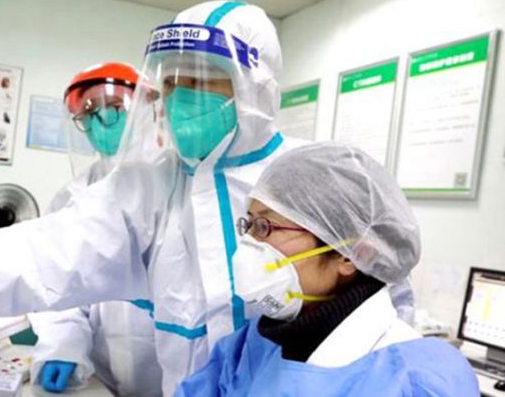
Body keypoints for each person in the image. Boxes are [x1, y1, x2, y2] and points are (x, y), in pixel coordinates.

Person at [0, 1, 367, 395]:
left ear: (255, 87)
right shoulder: (154, 186)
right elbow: (46, 252)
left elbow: (375, 298)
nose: (178, 97)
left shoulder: (313, 178)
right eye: (170, 82)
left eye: (199, 80)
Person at [176, 143, 479, 396]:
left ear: (351, 255)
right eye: (250, 224)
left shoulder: (419, 380)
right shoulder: (251, 345)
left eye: (266, 226)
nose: (249, 243)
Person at [30, 62, 163, 396]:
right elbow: (58, 283)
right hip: (104, 377)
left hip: (177, 376)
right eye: (88, 113)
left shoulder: (180, 185)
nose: (101, 121)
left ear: (147, 107)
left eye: (114, 107)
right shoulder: (74, 197)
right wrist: (62, 345)